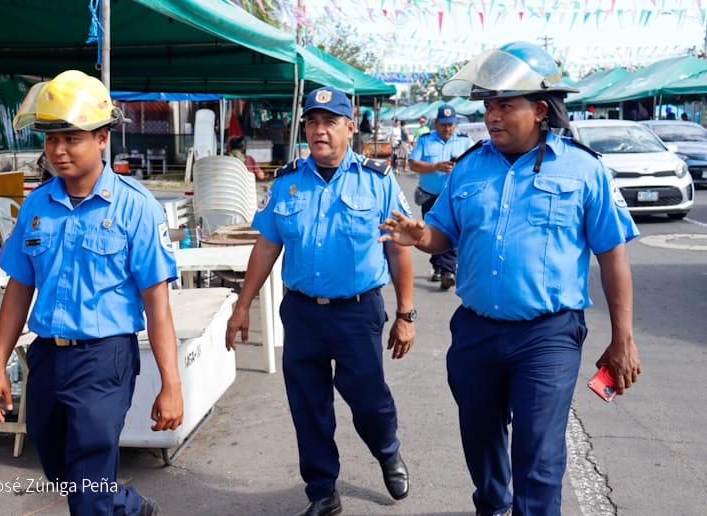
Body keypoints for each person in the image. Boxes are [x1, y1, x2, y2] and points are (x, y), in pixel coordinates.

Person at [379, 42, 641, 516]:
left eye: (505, 105)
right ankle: (493, 505)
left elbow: (612, 255)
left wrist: (622, 338)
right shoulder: (469, 167)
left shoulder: (584, 170)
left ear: (540, 109)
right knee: (480, 439)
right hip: (476, 332)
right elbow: (442, 235)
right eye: (488, 107)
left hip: (548, 335)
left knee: (538, 454)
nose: (492, 117)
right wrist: (421, 236)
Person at [0, 70, 182, 516]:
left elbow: (158, 306)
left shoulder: (136, 206)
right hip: (46, 358)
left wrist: (171, 384)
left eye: (71, 138)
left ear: (101, 138)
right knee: (61, 468)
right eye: (51, 138)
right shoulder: (37, 204)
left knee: (88, 487)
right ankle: (129, 506)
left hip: (104, 360)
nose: (58, 150)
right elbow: (19, 288)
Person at [225, 86, 415, 516]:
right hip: (303, 314)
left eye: (330, 122)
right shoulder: (287, 182)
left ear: (349, 128)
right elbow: (267, 245)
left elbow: (398, 250)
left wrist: (406, 314)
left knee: (369, 400)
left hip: (357, 313)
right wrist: (242, 305)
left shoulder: (377, 180)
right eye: (312, 122)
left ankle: (387, 450)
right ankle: (322, 492)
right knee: (308, 406)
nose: (320, 130)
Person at [407, 104, 472, 289]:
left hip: (454, 197)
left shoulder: (465, 142)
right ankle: (438, 266)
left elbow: (474, 166)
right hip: (430, 196)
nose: (447, 128)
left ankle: (448, 270)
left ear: (455, 124)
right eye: (443, 124)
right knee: (432, 232)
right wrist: (435, 167)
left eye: (451, 125)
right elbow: (413, 164)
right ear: (436, 123)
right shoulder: (425, 141)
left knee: (451, 232)